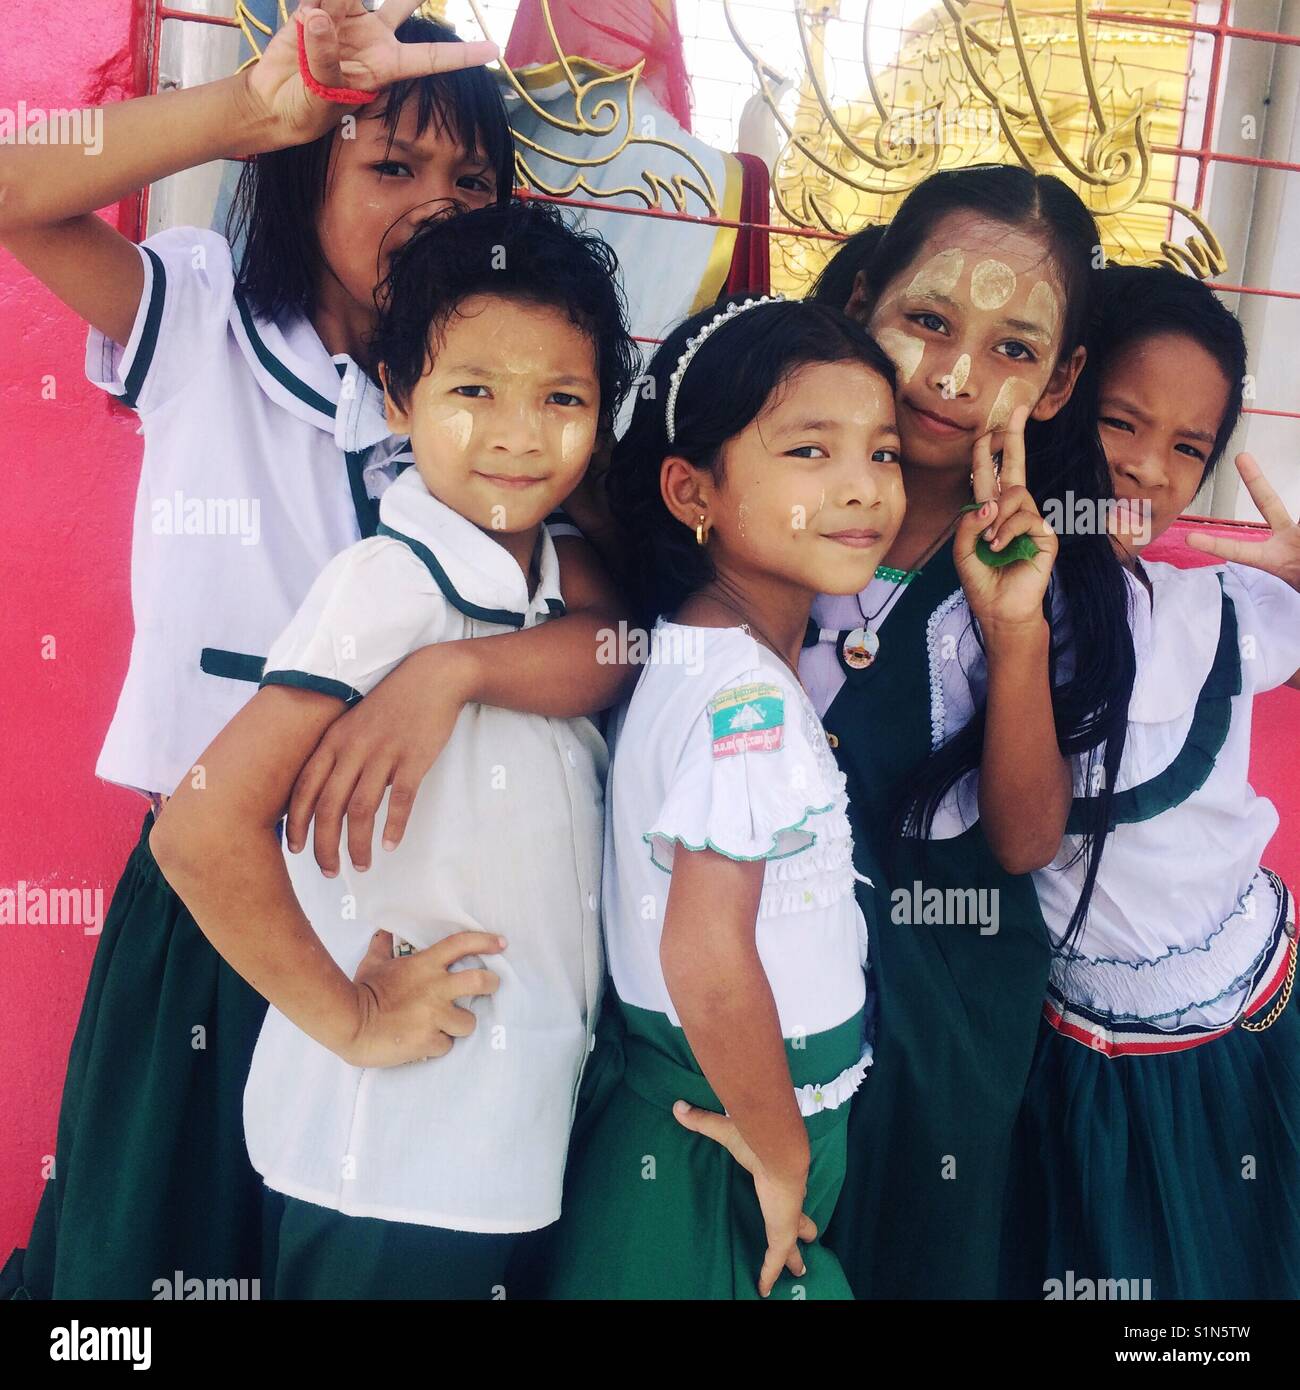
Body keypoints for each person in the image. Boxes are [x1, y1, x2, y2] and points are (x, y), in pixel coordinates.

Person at [0, 4, 629, 1300]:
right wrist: (249, 106)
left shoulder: (498, 406)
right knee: (147, 1255)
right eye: (388, 165)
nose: (435, 206)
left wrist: (448, 671)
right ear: (305, 174)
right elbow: (14, 187)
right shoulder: (205, 324)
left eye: (468, 178)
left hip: (399, 928)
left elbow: (610, 636)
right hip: (219, 906)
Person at [150, 197, 638, 1300]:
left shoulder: (546, 582)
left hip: (497, 1136)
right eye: (472, 390)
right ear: (395, 399)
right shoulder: (392, 583)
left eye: (562, 397)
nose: (518, 431)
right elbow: (196, 827)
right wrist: (351, 1018)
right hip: (392, 1150)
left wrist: (457, 676)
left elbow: (624, 647)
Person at [801, 164, 1136, 1298]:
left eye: (1012, 348)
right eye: (929, 320)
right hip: (750, 1003)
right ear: (860, 305)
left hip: (937, 1036)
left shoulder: (1059, 579)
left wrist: (1015, 628)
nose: (953, 376)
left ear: (1059, 384)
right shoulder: (754, 503)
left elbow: (1024, 842)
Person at [543, 294, 904, 1299]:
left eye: (880, 453)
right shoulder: (747, 699)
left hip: (725, 1113)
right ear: (691, 489)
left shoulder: (706, 653)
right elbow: (704, 955)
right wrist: (783, 1152)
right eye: (808, 452)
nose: (861, 488)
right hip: (725, 1134)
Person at [1007, 264, 1300, 1299]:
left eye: (1188, 447)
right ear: (1062, 397)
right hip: (1077, 1047)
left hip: (1245, 1023)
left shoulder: (1218, 606)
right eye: (1120, 423)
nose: (1148, 470)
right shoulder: (985, 612)